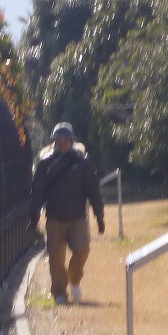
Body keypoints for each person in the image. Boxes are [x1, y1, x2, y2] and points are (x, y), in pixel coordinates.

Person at [30, 122, 105, 304]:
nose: (63, 143)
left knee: (82, 249)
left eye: (66, 140)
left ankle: (74, 278)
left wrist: (99, 216)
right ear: (54, 142)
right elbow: (37, 191)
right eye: (59, 140)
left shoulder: (82, 162)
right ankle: (59, 292)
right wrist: (34, 215)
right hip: (54, 218)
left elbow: (93, 190)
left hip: (77, 217)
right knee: (56, 258)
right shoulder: (45, 163)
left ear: (72, 141)